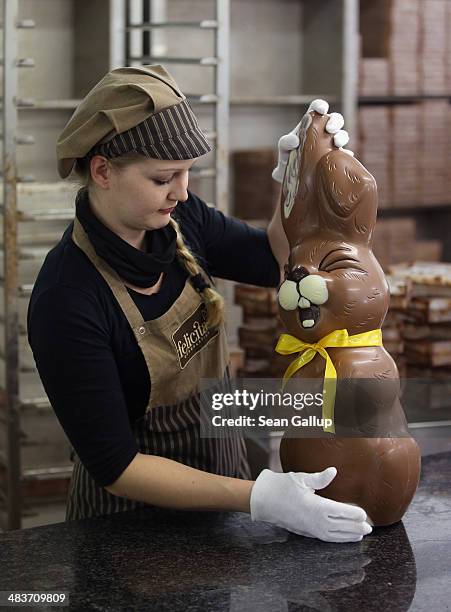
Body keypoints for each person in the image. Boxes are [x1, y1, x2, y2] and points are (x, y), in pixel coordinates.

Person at [27, 64, 372, 543]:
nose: (183, 191)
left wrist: (298, 182)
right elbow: (116, 465)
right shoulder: (66, 297)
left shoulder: (179, 217)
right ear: (102, 170)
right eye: (164, 177)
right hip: (129, 534)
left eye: (188, 174)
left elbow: (271, 260)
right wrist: (257, 497)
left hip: (219, 511)